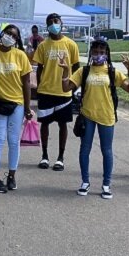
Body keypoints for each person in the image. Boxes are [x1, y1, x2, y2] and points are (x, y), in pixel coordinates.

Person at [58, 40, 129, 200]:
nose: (98, 55)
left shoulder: (112, 72)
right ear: (91, 53)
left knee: (106, 150)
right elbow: (66, 88)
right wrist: (65, 71)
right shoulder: (84, 71)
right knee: (84, 149)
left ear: (106, 54)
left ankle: (106, 184)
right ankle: (85, 182)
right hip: (87, 115)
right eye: (95, 51)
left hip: (107, 115)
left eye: (102, 52)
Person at [0, 24, 33, 193]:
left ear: (17, 39)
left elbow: (26, 82)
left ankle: (12, 176)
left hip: (17, 104)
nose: (9, 37)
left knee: (13, 141)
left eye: (13, 35)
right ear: (1, 34)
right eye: (7, 33)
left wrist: (28, 107)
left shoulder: (20, 56)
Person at [32, 13, 80, 171]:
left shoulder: (71, 44)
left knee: (63, 124)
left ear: (61, 23)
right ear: (46, 26)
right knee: (44, 124)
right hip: (46, 91)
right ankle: (44, 155)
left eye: (56, 21)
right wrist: (39, 87)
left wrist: (73, 86)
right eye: (50, 22)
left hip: (64, 92)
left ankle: (60, 157)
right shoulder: (43, 45)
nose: (54, 24)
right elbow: (39, 68)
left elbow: (76, 68)